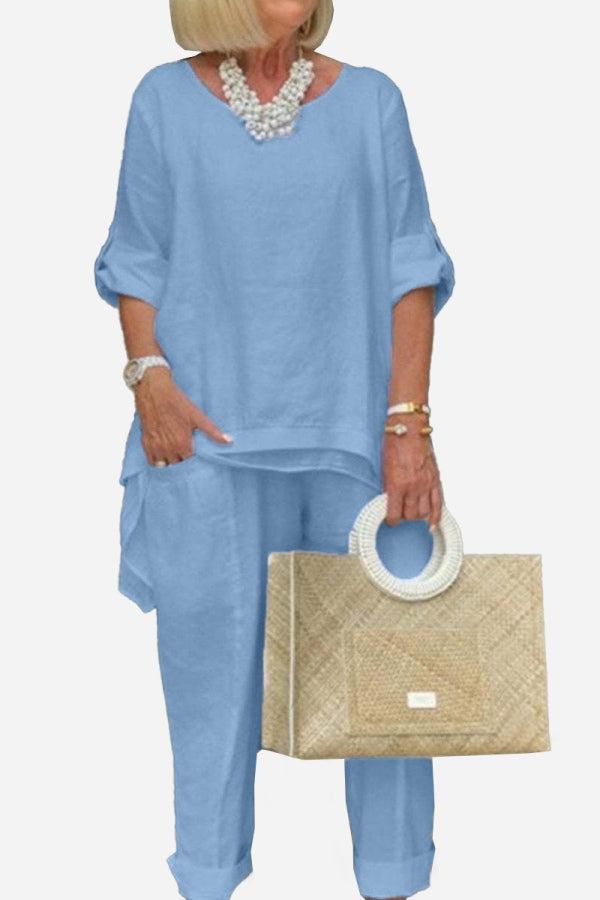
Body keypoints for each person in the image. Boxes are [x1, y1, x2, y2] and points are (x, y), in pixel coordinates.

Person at [93, 2, 455, 898]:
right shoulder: (162, 102)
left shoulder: (372, 102)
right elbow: (136, 260)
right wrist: (149, 381)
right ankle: (208, 879)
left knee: (387, 689)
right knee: (209, 694)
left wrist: (408, 424)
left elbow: (411, 267)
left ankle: (393, 881)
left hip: (356, 445)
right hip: (206, 445)